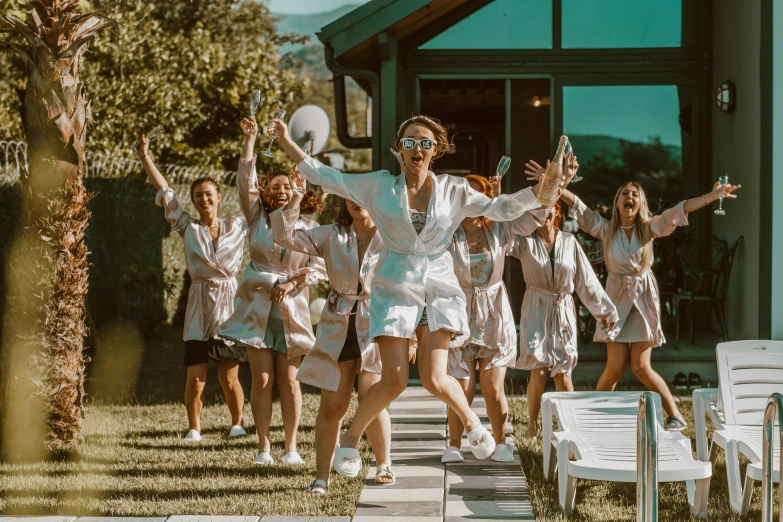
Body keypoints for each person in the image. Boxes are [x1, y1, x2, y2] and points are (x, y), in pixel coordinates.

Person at [269, 113, 563, 476]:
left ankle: (472, 423)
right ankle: (350, 439)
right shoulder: (378, 186)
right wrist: (285, 141)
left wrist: (545, 191)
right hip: (395, 288)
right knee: (392, 381)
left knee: (435, 378)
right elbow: (327, 176)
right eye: (409, 142)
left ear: (435, 149)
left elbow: (498, 209)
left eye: (425, 143)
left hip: (439, 289)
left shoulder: (454, 190)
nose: (417, 149)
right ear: (398, 151)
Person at [525, 157, 741, 430]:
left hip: (642, 301)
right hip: (615, 301)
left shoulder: (649, 228)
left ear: (641, 204)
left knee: (640, 366)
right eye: (624, 193)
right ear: (617, 203)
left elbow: (679, 210)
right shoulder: (606, 229)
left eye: (635, 194)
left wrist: (712, 196)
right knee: (614, 367)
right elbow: (577, 206)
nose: (629, 196)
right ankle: (591, 419)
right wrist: (551, 182)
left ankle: (675, 413)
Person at [271, 187, 397, 492]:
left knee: (372, 397)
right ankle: (321, 477)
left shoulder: (392, 236)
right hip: (338, 327)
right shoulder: (331, 234)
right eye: (350, 196)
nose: (356, 201)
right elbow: (283, 236)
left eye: (363, 195)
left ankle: (384, 465)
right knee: (332, 405)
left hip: (377, 323)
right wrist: (296, 198)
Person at [218, 117, 327, 464]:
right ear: (267, 192)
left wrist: (295, 281)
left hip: (292, 310)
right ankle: (264, 446)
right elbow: (244, 182)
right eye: (275, 186)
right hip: (256, 310)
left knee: (289, 381)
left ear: (298, 191)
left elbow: (320, 268)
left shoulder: (310, 228)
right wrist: (249, 139)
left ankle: (291, 447)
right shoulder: (257, 221)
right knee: (262, 380)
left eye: (287, 186)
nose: (281, 190)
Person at [135, 134, 247, 442]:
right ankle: (194, 428)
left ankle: (237, 423)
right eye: (198, 195)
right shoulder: (187, 227)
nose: (203, 199)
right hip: (199, 305)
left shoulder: (238, 226)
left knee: (228, 375)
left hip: (228, 305)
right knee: (196, 377)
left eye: (208, 194)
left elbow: (256, 196)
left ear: (219, 197)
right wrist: (145, 157)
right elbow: (165, 191)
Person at [443, 174, 546, 463]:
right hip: (458, 316)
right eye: (466, 195)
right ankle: (453, 444)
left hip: (492, 318)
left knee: (492, 387)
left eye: (477, 195)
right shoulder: (445, 232)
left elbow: (536, 215)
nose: (471, 200)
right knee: (460, 387)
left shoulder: (501, 228)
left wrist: (552, 183)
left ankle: (502, 442)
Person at [511, 199, 618, 437]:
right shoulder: (523, 241)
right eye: (537, 209)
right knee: (538, 370)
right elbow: (501, 233)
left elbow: (586, 280)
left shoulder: (569, 242)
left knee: (563, 371)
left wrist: (605, 312)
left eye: (547, 207)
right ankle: (532, 425)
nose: (543, 213)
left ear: (556, 211)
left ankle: (569, 428)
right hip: (536, 307)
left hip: (563, 309)